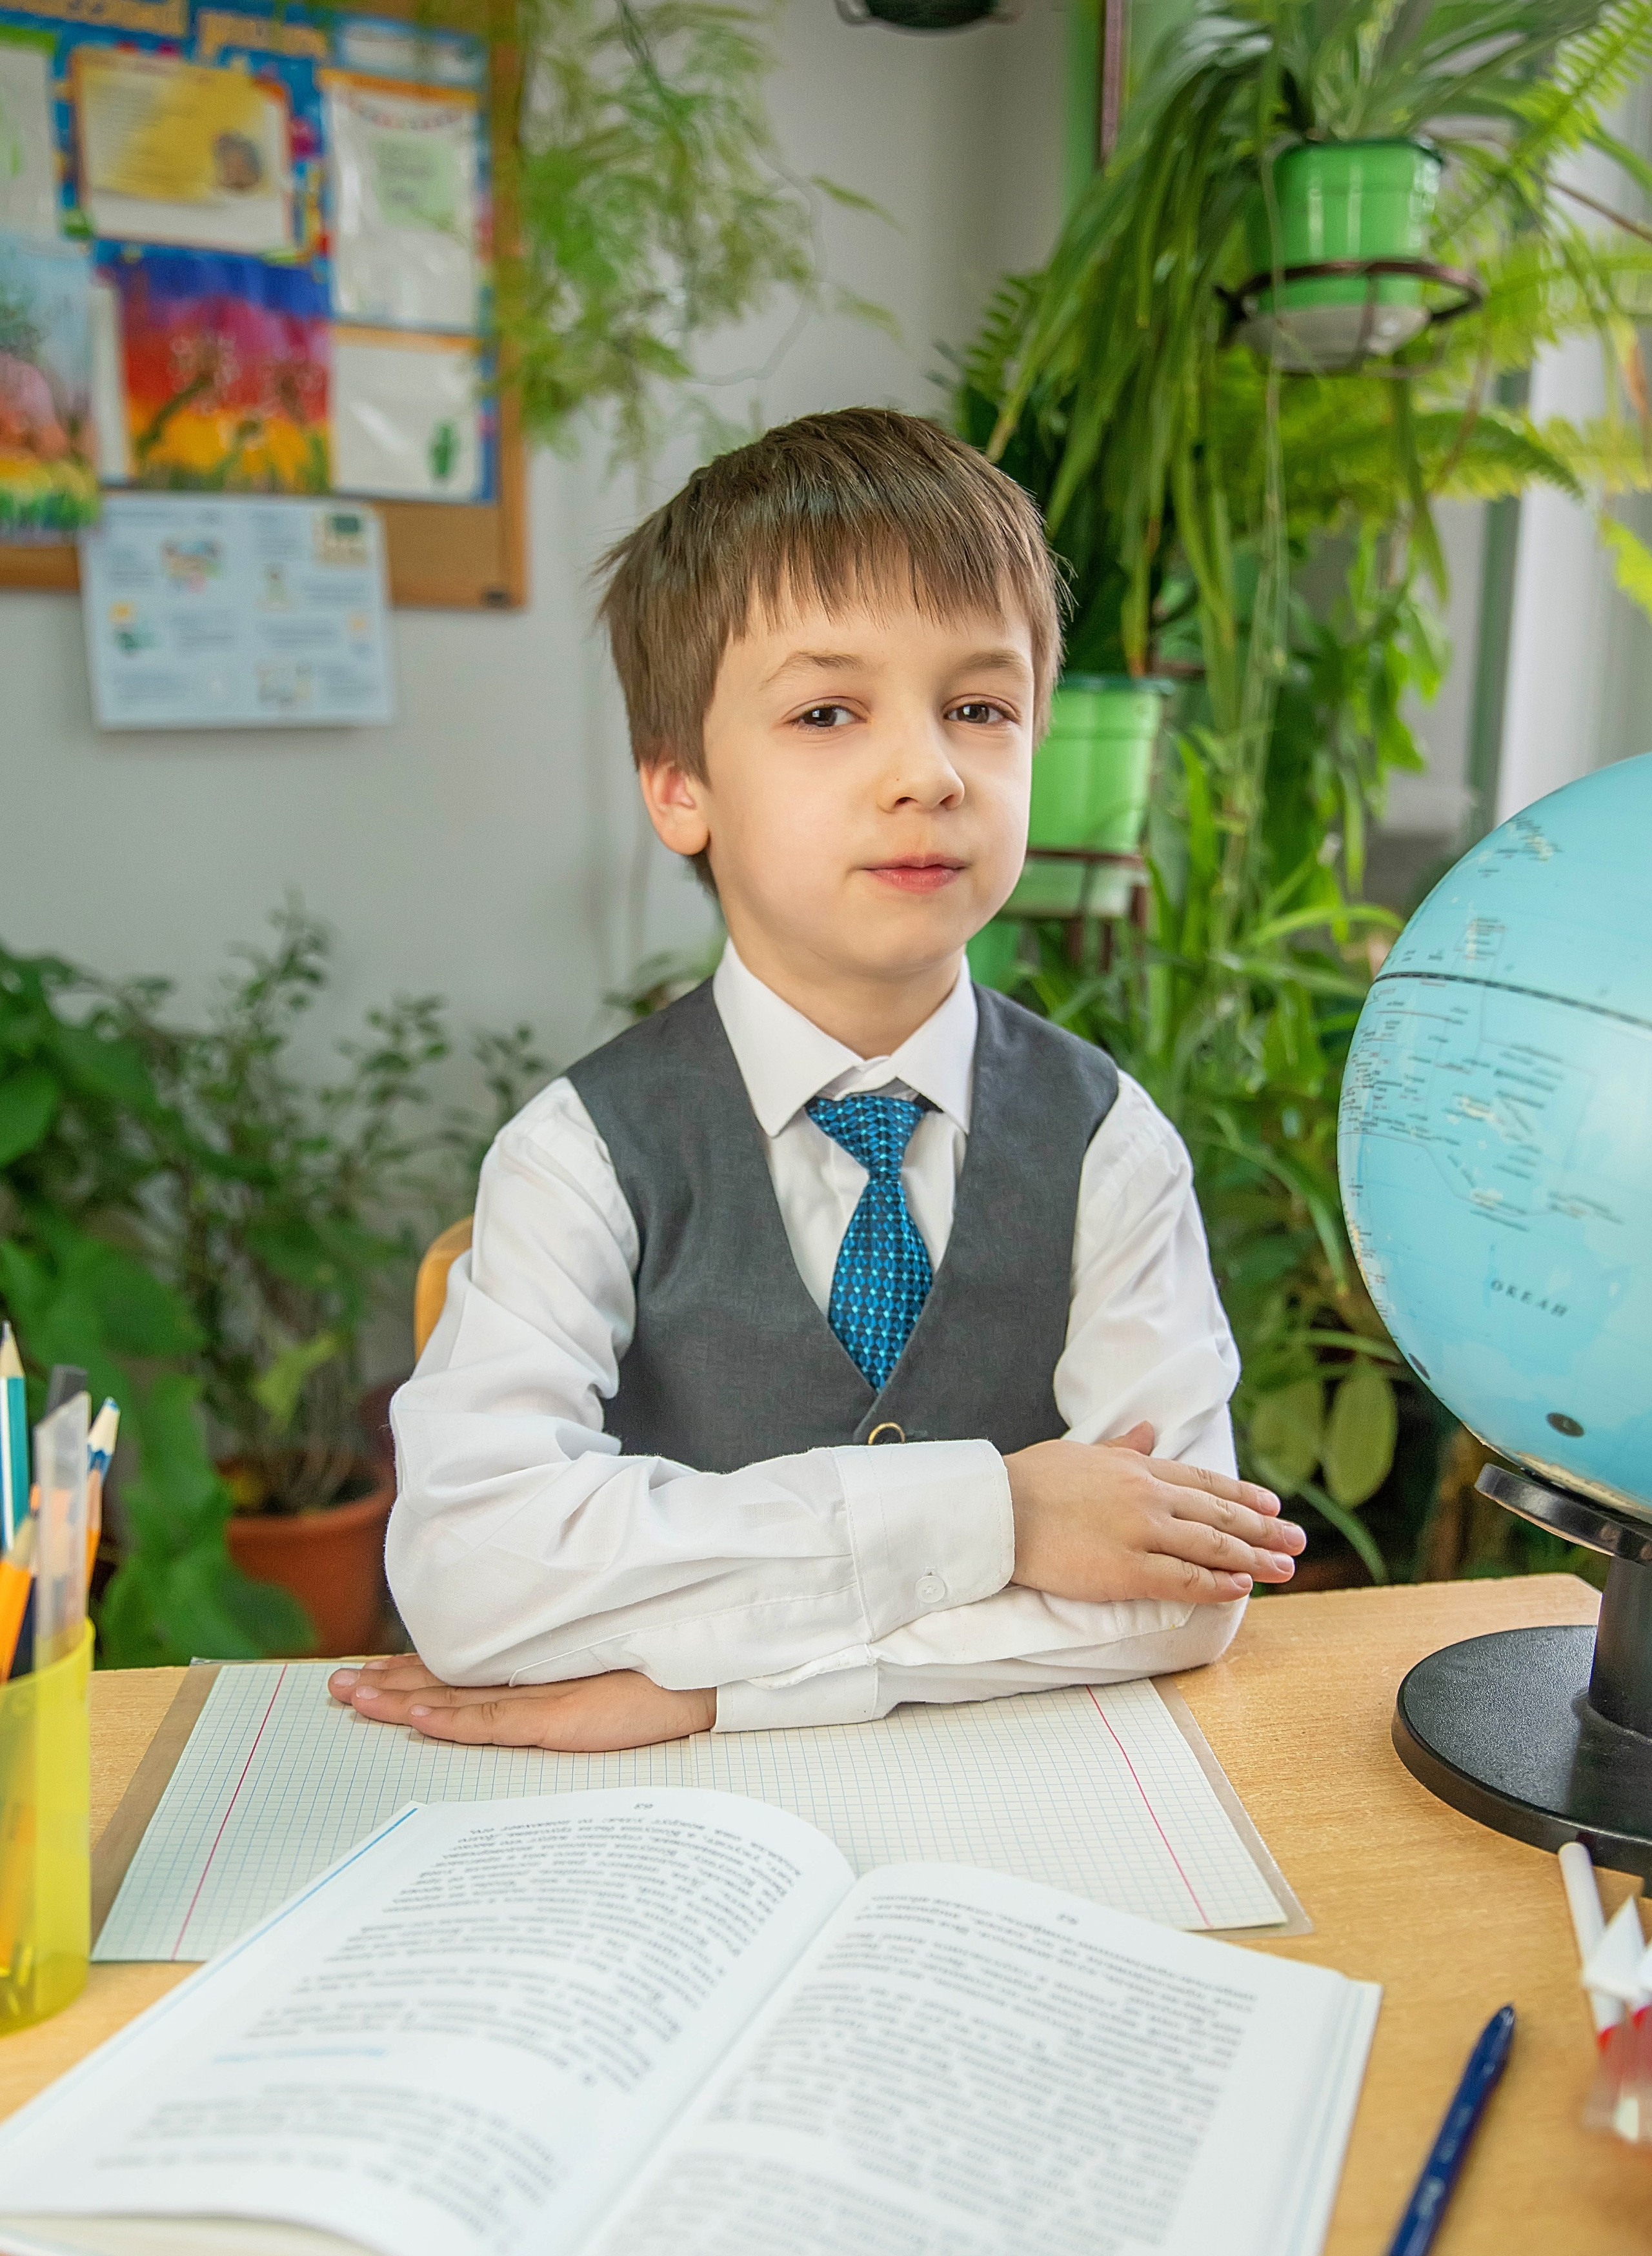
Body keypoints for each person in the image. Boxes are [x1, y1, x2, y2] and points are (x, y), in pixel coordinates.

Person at [330, 408, 1302, 1750]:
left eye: (979, 706)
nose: (925, 771)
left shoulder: (1106, 1145)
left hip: (1014, 1813)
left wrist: (711, 1686)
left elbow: (1183, 1596)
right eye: (827, 710)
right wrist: (1001, 1520)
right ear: (681, 789)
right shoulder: (579, 1153)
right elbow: (473, 1574)